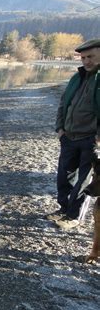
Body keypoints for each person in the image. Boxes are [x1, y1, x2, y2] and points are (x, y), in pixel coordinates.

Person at [47, 38, 100, 230]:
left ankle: (74, 216)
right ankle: (63, 209)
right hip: (69, 136)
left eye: (91, 57)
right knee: (65, 176)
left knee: (85, 180)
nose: (86, 61)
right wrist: (60, 128)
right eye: (83, 57)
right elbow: (64, 104)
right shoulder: (77, 77)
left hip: (91, 139)